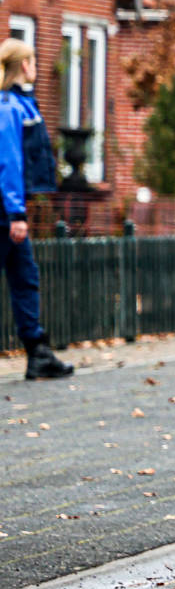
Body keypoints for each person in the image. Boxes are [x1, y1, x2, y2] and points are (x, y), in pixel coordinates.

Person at [0, 39, 72, 380]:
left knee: (25, 277)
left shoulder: (20, 103)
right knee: (24, 277)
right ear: (25, 65)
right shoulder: (8, 106)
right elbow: (8, 162)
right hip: (5, 212)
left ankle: (37, 351)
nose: (37, 66)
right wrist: (16, 215)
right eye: (33, 60)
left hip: (10, 209)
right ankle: (37, 351)